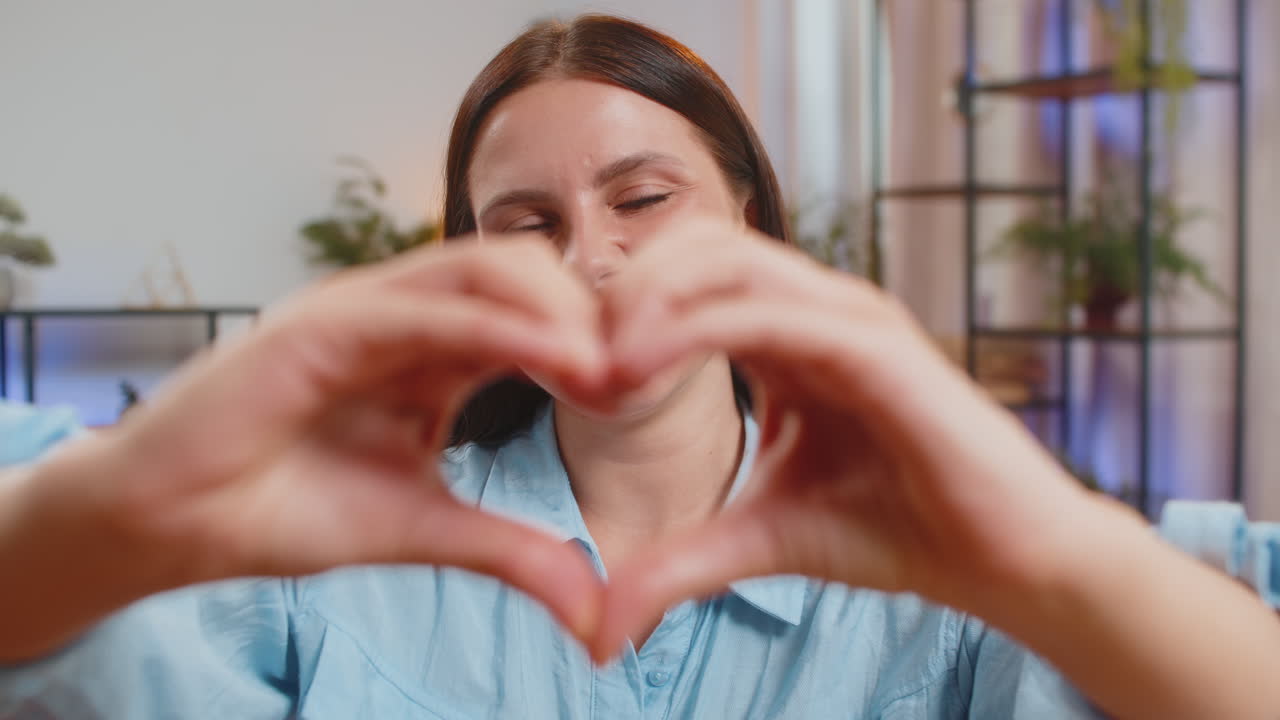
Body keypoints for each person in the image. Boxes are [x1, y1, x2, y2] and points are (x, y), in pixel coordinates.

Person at [2, 14, 1279, 719]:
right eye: (525, 222)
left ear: (747, 218)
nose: (589, 256)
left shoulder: (927, 580)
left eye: (643, 197)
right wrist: (112, 505)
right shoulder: (326, 562)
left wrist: (1052, 551)